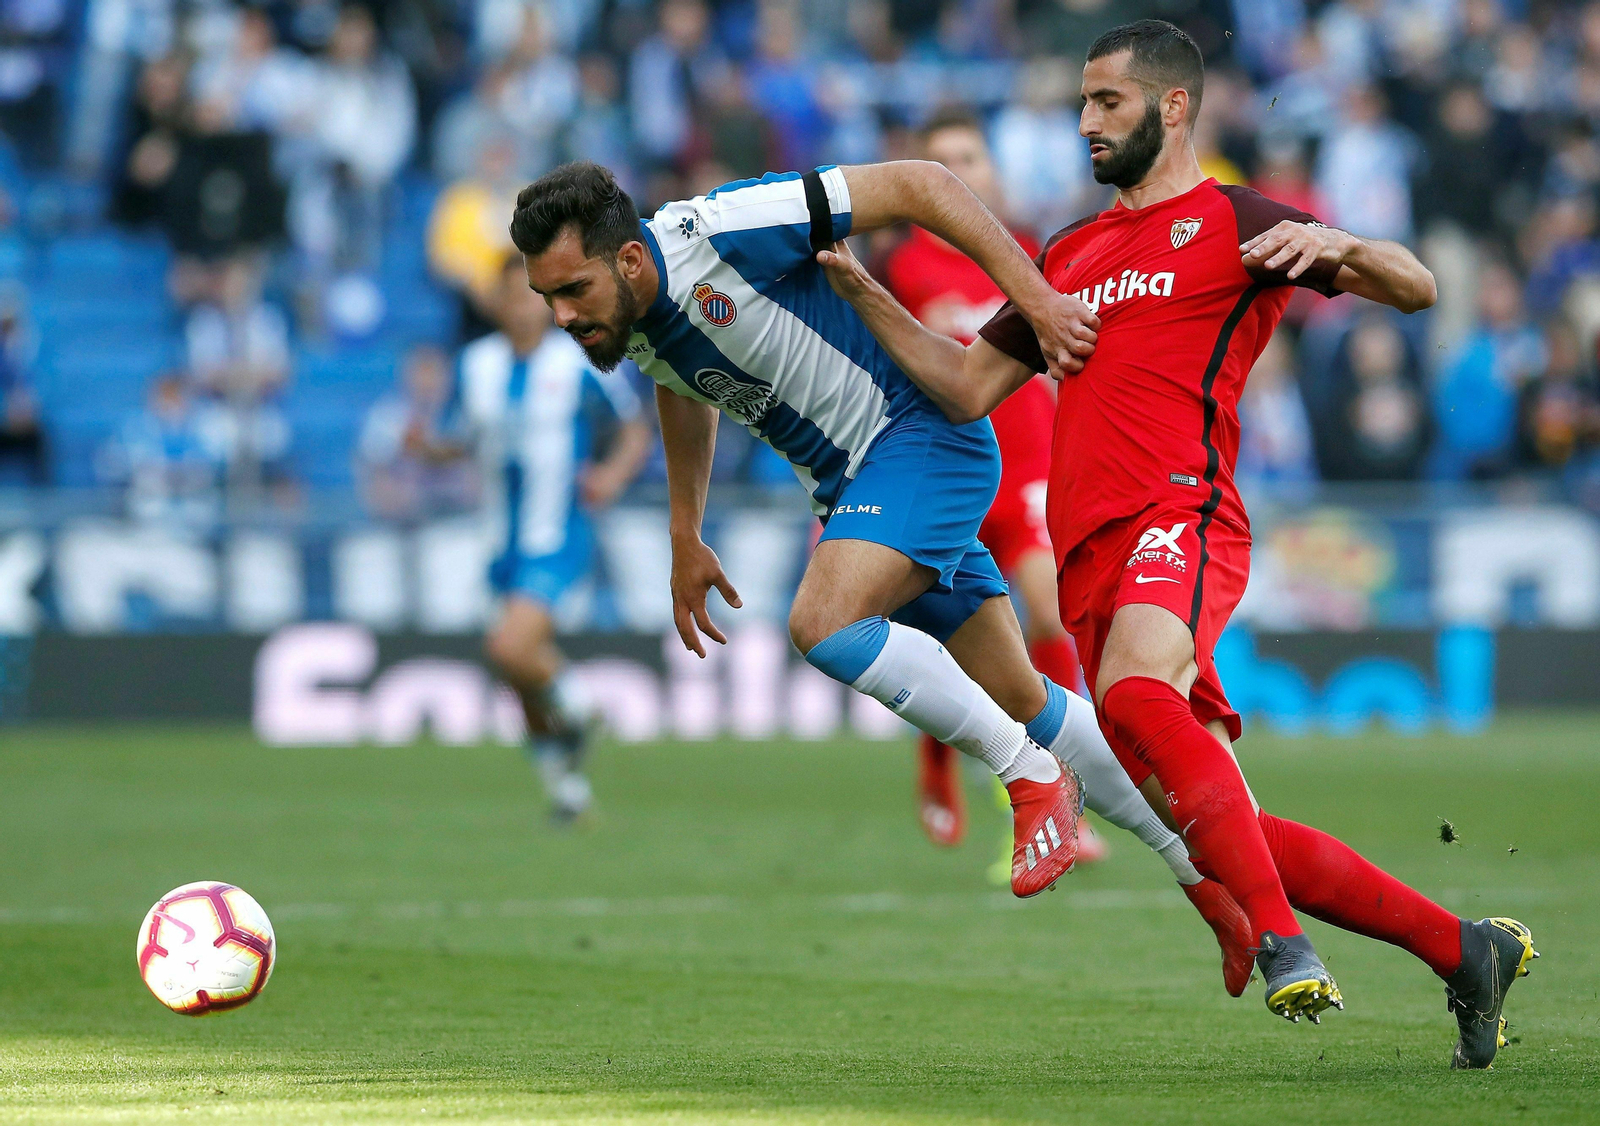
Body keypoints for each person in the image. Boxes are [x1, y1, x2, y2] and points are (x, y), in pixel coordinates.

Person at [816, 19, 1536, 1064]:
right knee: (1219, 819)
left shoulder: (1236, 220)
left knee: (1145, 700)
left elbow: (1416, 286)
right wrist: (864, 293)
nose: (1085, 123)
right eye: (1079, 104)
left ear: (1173, 107)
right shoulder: (1065, 251)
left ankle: (1284, 946)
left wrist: (1339, 248)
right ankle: (1463, 949)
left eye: (1106, 103)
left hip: (1182, 510)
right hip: (1087, 554)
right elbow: (968, 382)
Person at [511, 156, 1250, 972]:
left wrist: (1035, 300)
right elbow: (681, 385)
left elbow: (922, 184)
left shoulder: (722, 233)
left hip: (919, 434)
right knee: (1027, 696)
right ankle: (1208, 879)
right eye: (548, 298)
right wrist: (686, 532)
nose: (562, 315)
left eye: (572, 290)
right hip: (858, 486)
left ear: (627, 259)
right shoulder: (635, 320)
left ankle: (1028, 776)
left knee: (822, 623)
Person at [877, 108, 1095, 857]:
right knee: (952, 635)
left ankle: (1059, 787)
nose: (959, 173)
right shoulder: (903, 266)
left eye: (969, 157)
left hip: (1029, 466)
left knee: (1049, 615)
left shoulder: (1028, 252)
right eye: (941, 161)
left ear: (993, 171)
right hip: (952, 469)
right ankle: (939, 756)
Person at [461, 254, 651, 821]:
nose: (520, 307)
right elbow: (456, 436)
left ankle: (582, 705)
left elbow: (634, 427)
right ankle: (567, 788)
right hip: (499, 541)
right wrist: (425, 447)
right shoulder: (475, 366)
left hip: (558, 534)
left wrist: (611, 476)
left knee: (510, 648)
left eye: (529, 296)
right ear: (495, 304)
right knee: (517, 675)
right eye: (510, 297)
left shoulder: (579, 362)